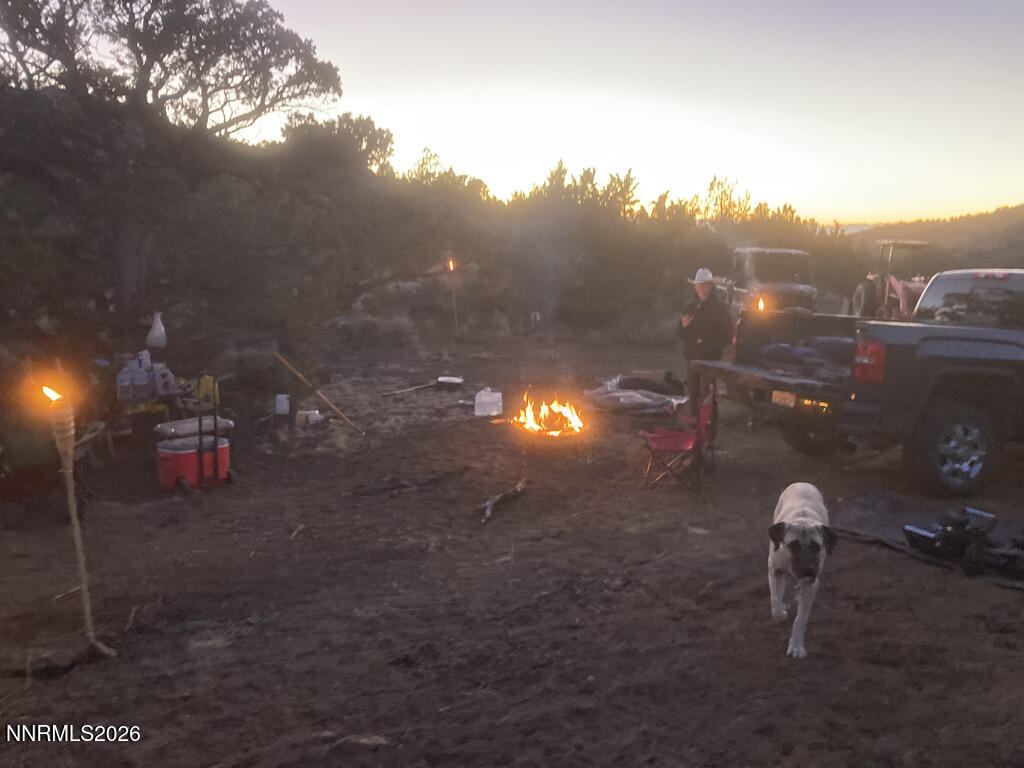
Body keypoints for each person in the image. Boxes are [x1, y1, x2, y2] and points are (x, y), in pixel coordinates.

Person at [678, 267, 733, 417]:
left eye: (704, 285)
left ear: (710, 286)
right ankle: (695, 425)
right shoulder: (690, 307)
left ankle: (710, 426)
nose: (701, 288)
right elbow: (681, 333)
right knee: (693, 393)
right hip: (692, 357)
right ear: (695, 287)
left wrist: (711, 346)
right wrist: (683, 326)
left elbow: (728, 334)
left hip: (710, 359)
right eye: (699, 285)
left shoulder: (720, 308)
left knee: (708, 394)